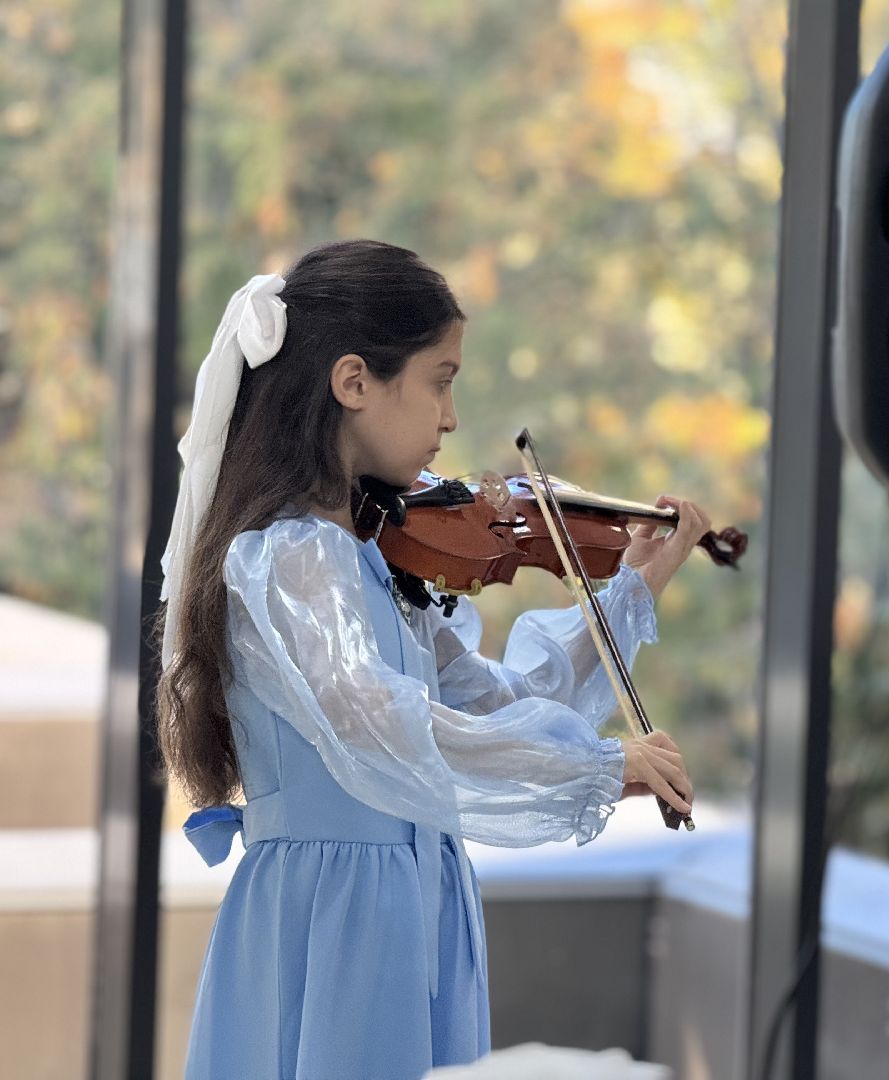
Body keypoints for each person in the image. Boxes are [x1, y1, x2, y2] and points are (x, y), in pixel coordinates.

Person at [156, 239, 703, 1080]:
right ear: (354, 382)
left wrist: (631, 590)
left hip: (410, 907)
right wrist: (592, 768)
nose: (451, 417)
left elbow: (495, 701)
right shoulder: (293, 558)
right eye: (440, 380)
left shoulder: (373, 554)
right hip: (336, 917)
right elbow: (378, 726)